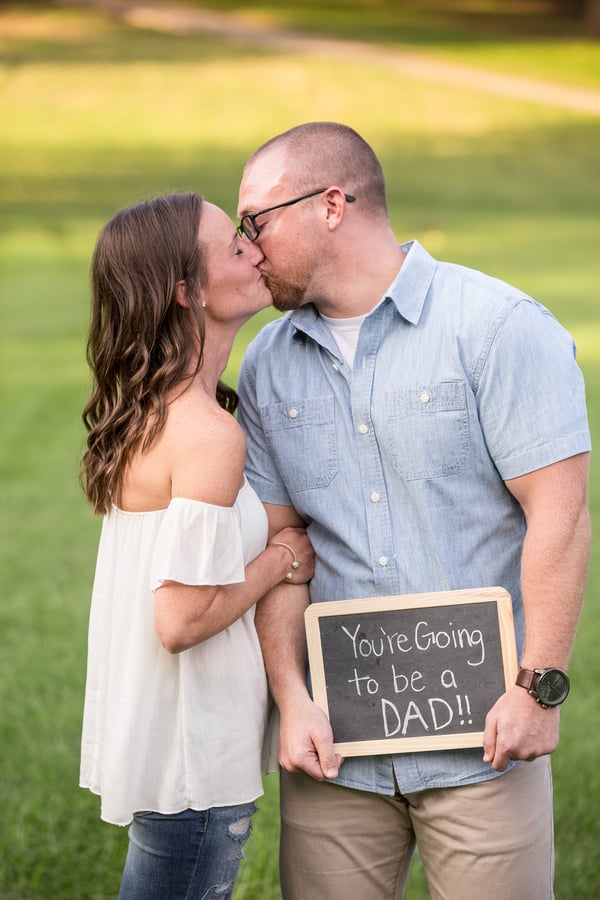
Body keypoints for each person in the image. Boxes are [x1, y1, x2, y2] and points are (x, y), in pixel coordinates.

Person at [235, 123, 592, 900]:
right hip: (336, 755)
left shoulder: (497, 328)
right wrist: (291, 699)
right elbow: (281, 547)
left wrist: (540, 688)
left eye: (256, 220)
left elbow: (559, 519)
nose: (247, 246)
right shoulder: (265, 362)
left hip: (485, 749)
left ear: (332, 204)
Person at [79, 192, 315, 900]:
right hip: (194, 754)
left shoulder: (157, 409)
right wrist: (280, 560)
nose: (257, 250)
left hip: (165, 744)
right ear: (187, 290)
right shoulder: (206, 434)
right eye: (235, 246)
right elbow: (179, 620)